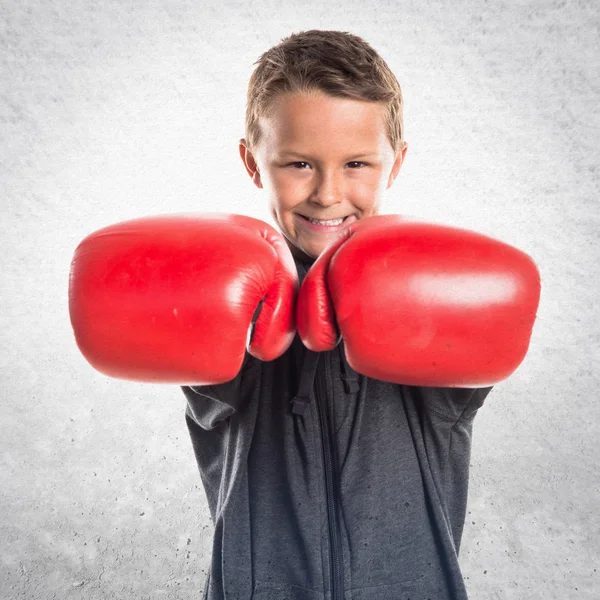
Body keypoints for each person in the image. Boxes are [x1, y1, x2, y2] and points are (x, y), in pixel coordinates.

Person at [68, 30, 540, 600]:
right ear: (252, 161)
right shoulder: (229, 294)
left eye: (357, 162)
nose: (327, 193)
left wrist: (402, 285)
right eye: (299, 164)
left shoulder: (430, 288)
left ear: (396, 164)